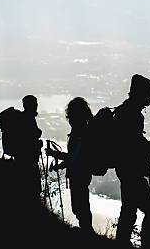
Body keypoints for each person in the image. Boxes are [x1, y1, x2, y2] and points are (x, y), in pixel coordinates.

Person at [114, 74, 150, 249]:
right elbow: (136, 146)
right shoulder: (132, 115)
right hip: (131, 171)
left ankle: (121, 246)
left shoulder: (124, 111)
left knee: (129, 210)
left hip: (125, 169)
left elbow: (135, 144)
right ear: (141, 93)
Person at [46, 97, 94, 233]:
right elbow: (75, 157)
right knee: (81, 204)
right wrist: (60, 163)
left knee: (80, 206)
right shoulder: (83, 129)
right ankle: (87, 231)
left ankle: (87, 232)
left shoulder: (80, 132)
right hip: (82, 172)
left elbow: (75, 157)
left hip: (79, 173)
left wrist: (56, 156)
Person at [16, 95, 43, 202]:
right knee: (33, 188)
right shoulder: (28, 119)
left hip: (21, 159)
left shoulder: (22, 118)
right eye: (34, 104)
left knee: (26, 187)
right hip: (29, 160)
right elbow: (31, 137)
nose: (36, 106)